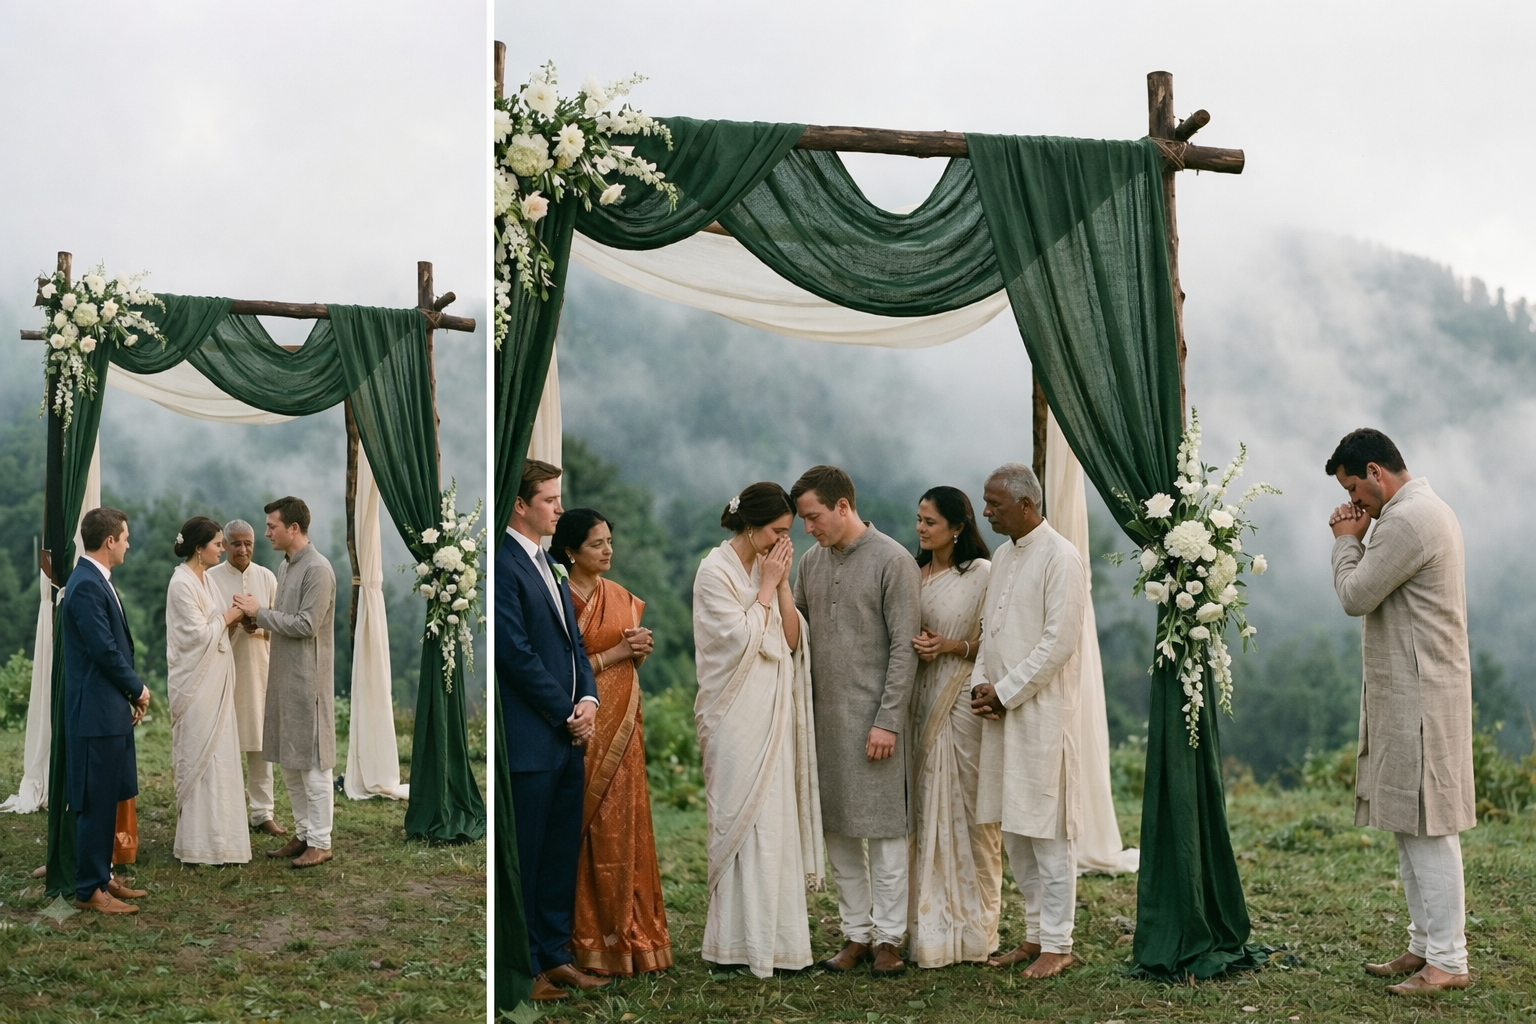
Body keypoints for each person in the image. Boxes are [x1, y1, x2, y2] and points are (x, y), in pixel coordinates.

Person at [1326, 428, 1474, 995]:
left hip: (1421, 694)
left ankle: (1449, 960)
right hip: (1413, 688)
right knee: (1408, 822)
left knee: (1428, 826)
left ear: (1376, 471)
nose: (1353, 503)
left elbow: (1355, 595)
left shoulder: (1409, 521)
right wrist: (1364, 532)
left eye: (1355, 490)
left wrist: (1345, 539)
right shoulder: (1412, 513)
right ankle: (1424, 944)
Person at [791, 465, 921, 977]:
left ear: (843, 506)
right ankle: (855, 935)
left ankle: (889, 939)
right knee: (840, 832)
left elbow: (905, 651)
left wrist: (887, 720)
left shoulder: (893, 560)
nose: (809, 528)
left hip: (876, 722)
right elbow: (797, 631)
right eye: (804, 519)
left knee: (886, 834)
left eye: (813, 516)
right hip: (825, 721)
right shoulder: (810, 562)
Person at [693, 482, 824, 978]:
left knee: (774, 818)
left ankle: (781, 942)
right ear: (751, 526)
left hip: (773, 709)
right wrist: (766, 585)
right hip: (733, 714)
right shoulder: (715, 570)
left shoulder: (771, 567)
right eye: (777, 531)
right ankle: (731, 944)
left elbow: (791, 640)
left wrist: (782, 583)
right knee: (741, 818)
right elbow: (737, 640)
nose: (783, 541)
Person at [497, 460, 609, 1002]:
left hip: (568, 733)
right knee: (531, 854)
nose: (559, 508)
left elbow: (574, 646)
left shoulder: (550, 563)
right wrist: (565, 709)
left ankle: (555, 955)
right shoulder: (502, 563)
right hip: (532, 738)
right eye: (549, 500)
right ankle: (526, 967)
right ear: (521, 505)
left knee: (562, 852)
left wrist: (588, 697)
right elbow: (513, 654)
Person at [969, 463, 1086, 980]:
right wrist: (980, 684)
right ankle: (1034, 934)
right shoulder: (1001, 554)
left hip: (1039, 715)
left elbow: (1058, 643)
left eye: (995, 504)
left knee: (1048, 832)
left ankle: (1059, 944)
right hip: (999, 713)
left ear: (1026, 505)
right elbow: (987, 632)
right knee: (1015, 829)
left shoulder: (1062, 557)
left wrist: (1007, 691)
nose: (987, 512)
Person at [552, 507, 673, 976]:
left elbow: (625, 663)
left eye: (609, 541)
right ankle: (584, 938)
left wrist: (636, 652)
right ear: (570, 552)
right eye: (596, 544)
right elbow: (565, 669)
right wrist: (617, 653)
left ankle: (629, 931)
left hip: (622, 730)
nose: (608, 551)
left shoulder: (620, 596)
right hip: (579, 731)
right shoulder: (558, 597)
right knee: (584, 829)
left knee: (625, 825)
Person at [906, 486, 1000, 968]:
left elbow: (997, 640)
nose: (921, 529)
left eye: (930, 522)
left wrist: (951, 647)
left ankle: (973, 927)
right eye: (919, 520)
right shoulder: (912, 573)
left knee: (967, 809)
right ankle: (928, 926)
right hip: (919, 701)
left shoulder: (982, 574)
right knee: (923, 810)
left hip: (961, 698)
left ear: (958, 527)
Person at [232, 496, 336, 869]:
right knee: (290, 764)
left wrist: (259, 614)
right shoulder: (286, 565)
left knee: (313, 766)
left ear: (294, 528)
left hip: (308, 682)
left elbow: (307, 624)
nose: (267, 533)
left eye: (272, 526)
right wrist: (259, 621)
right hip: (283, 677)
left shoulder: (318, 570)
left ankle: (321, 842)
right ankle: (304, 833)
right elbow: (282, 618)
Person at [61, 506, 150, 914]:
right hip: (95, 712)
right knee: (96, 801)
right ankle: (88, 890)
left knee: (110, 794)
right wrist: (137, 689)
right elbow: (103, 650)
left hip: (107, 708)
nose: (129, 543)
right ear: (110, 540)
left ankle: (103, 875)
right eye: (125, 536)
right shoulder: (85, 585)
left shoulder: (95, 580)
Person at [165, 516, 252, 866]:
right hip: (196, 684)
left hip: (216, 681)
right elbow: (196, 637)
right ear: (199, 549)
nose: (223, 548)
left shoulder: (206, 580)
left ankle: (224, 841)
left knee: (221, 755)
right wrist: (231, 615)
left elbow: (216, 629)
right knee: (202, 755)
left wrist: (238, 619)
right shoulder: (181, 583)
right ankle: (198, 845)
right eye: (217, 543)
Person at [205, 519, 286, 837]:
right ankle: (225, 811)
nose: (243, 549)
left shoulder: (266, 576)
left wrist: (260, 624)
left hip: (258, 670)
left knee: (260, 744)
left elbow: (282, 622)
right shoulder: (210, 578)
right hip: (222, 670)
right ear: (223, 545)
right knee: (222, 744)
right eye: (236, 543)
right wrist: (232, 623)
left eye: (248, 543)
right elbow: (203, 625)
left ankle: (262, 812)